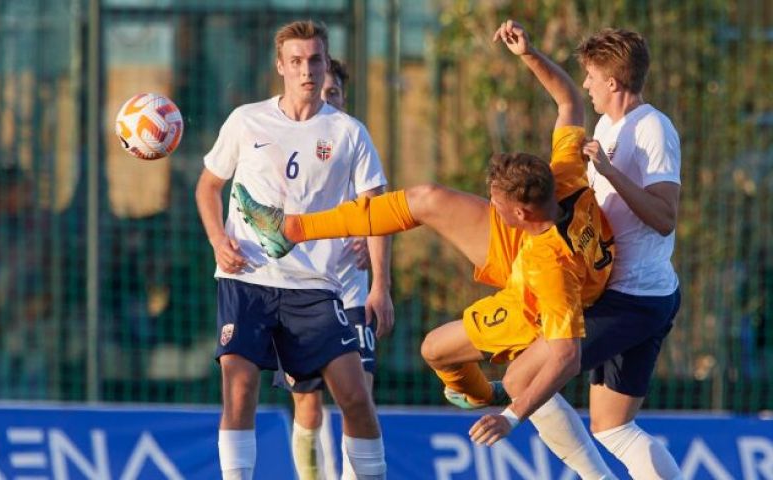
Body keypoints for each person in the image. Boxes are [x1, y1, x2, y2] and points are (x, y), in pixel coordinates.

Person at [236, 19, 619, 480]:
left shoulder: (548, 271)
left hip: (535, 286)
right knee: (426, 198)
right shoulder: (568, 176)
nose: (487, 206)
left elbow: (566, 357)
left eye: (495, 202)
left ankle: (566, 452)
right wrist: (528, 54)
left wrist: (511, 415)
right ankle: (294, 229)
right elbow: (569, 101)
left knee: (440, 351)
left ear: (517, 210)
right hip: (535, 239)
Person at [194, 20, 392, 480]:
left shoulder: (348, 132)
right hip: (248, 279)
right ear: (280, 66)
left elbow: (378, 209)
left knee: (355, 397)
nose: (307, 70)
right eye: (297, 61)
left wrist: (381, 283)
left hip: (316, 288)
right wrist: (218, 241)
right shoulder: (247, 120)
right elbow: (208, 186)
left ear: (326, 64)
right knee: (240, 388)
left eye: (315, 60)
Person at [573, 28, 683, 479]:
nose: (586, 86)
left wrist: (609, 171)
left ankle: (509, 402)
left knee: (536, 374)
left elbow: (664, 216)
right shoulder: (606, 125)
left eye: (592, 77)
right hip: (618, 291)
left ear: (613, 82)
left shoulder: (654, 127)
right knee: (612, 428)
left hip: (636, 298)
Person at [271, 58, 383, 480]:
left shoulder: (353, 142)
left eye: (333, 93)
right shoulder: (286, 150)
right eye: (318, 92)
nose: (323, 99)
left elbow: (382, 213)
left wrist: (376, 269)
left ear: (343, 98)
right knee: (308, 403)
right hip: (299, 293)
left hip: (350, 294)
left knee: (359, 398)